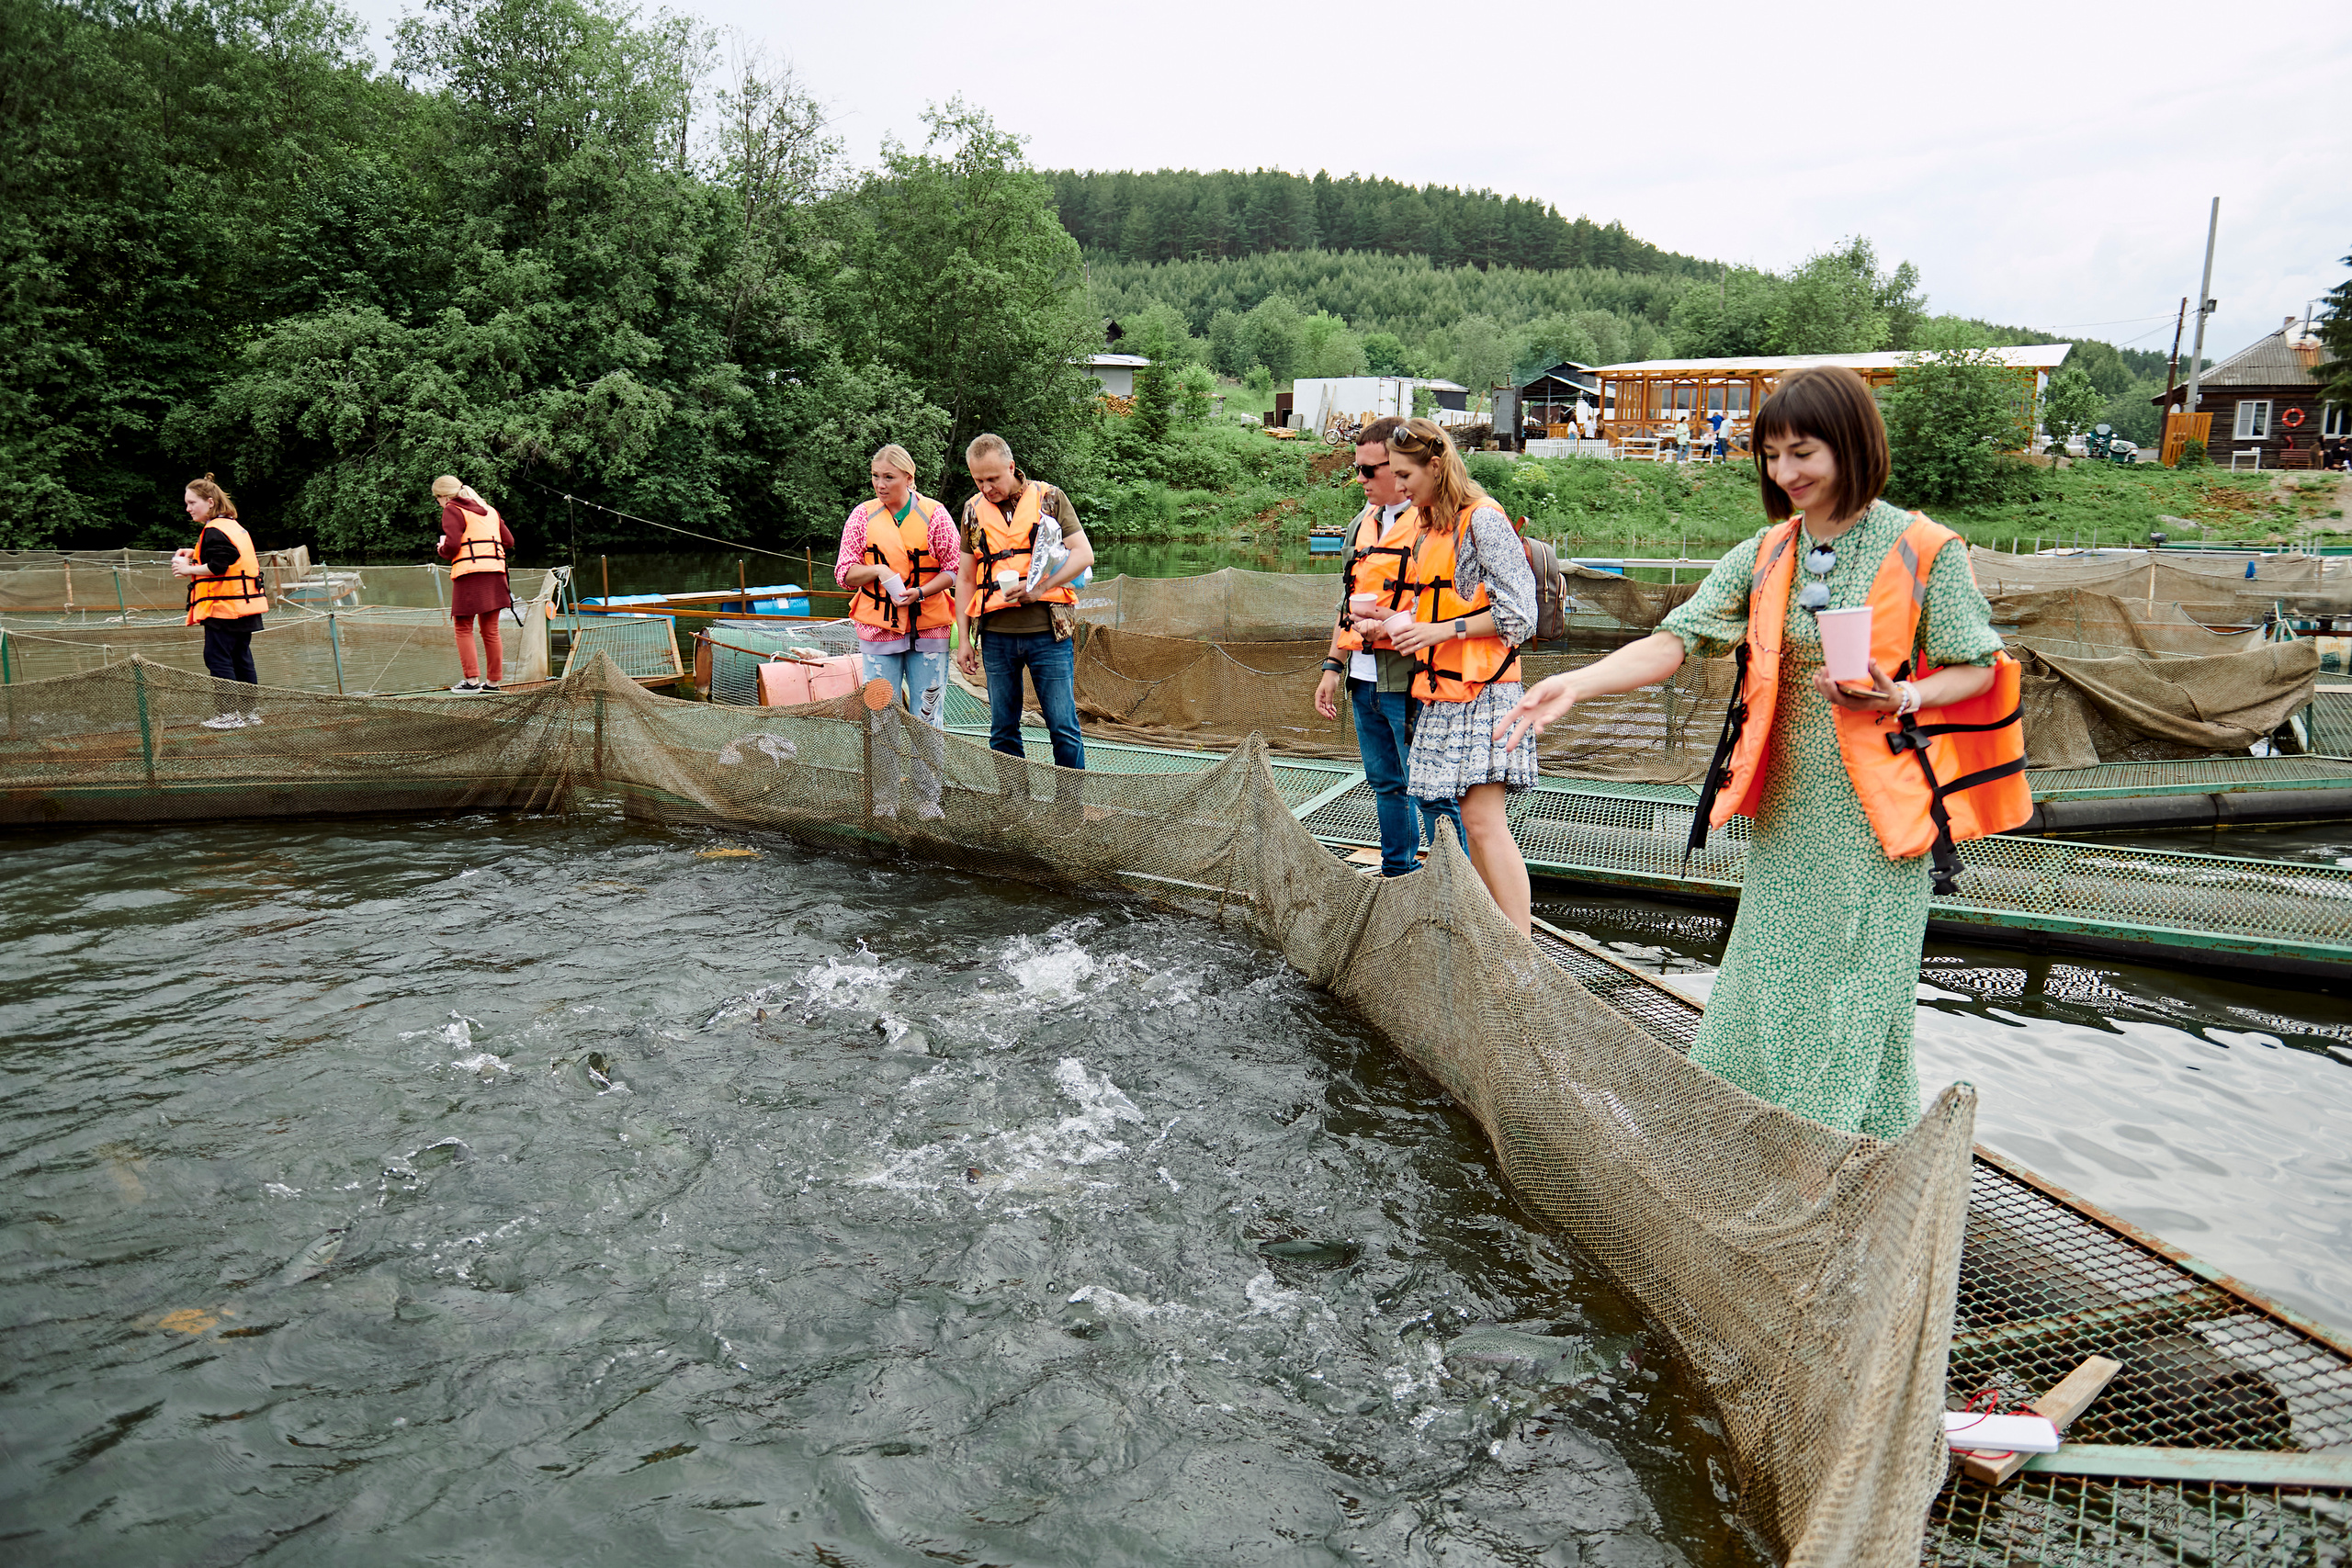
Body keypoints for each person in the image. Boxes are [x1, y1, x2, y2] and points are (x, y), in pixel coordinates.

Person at [1495, 367, 2018, 1138]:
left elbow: (1981, 664)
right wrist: (1577, 681)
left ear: (1851, 444)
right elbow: (1676, 638)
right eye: (1771, 456)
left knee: (1850, 985)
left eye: (1801, 452)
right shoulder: (1768, 551)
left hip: (1880, 815)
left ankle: (1815, 1159)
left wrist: (1903, 695)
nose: (1785, 473)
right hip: (1789, 805)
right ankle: (1778, 1142)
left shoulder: (1924, 549)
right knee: (1766, 978)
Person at [1380, 418, 1537, 934]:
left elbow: (1520, 617)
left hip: (1487, 691)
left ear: (1436, 465)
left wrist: (1436, 632)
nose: (1399, 487)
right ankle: (1501, 935)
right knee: (1470, 821)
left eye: (1406, 475)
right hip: (1447, 692)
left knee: (1487, 825)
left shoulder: (1483, 520)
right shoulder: (1432, 523)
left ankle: (1517, 948)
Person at [1314, 417, 1464, 876]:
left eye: (1370, 470)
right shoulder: (1361, 524)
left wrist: (1395, 626)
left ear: (1401, 469)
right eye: (1356, 469)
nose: (1360, 480)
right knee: (1384, 782)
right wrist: (1333, 666)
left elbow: (1451, 603)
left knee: (1431, 787)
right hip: (1362, 680)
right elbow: (1347, 598)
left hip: (1412, 679)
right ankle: (1398, 873)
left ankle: (1454, 882)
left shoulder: (1434, 524)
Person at [955, 433, 1092, 783]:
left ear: (1011, 468)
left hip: (1049, 633)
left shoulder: (1050, 498)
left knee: (1062, 725)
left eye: (993, 478)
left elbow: (1083, 555)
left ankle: (1069, 810)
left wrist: (1040, 587)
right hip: (997, 637)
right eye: (979, 480)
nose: (987, 488)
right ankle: (1015, 808)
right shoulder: (972, 511)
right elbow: (966, 579)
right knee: (1002, 728)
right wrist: (964, 641)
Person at [837, 444, 959, 818]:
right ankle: (885, 799)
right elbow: (843, 574)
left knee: (928, 714)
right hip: (878, 631)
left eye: (888, 477)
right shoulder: (861, 517)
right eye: (875, 476)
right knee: (880, 713)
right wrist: (875, 571)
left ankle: (928, 799)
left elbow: (955, 568)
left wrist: (921, 591)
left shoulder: (935, 515)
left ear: (909, 477)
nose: (880, 484)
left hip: (929, 629)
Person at [172, 473, 267, 729]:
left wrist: (187, 569)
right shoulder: (233, 525)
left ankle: (228, 716)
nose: (188, 508)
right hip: (244, 607)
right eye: (187, 503)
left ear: (210, 502)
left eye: (192, 503)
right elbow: (229, 556)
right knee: (241, 658)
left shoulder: (214, 530)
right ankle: (249, 714)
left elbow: (218, 566)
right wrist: (194, 554)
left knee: (217, 658)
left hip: (225, 609)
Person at [432, 475, 514, 693]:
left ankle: (471, 682)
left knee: (463, 627)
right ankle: (493, 684)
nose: (439, 503)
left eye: (437, 499)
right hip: (496, 575)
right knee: (491, 631)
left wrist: (441, 549)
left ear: (443, 496)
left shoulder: (452, 509)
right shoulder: (490, 511)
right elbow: (508, 542)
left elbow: (451, 547)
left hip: (470, 574)